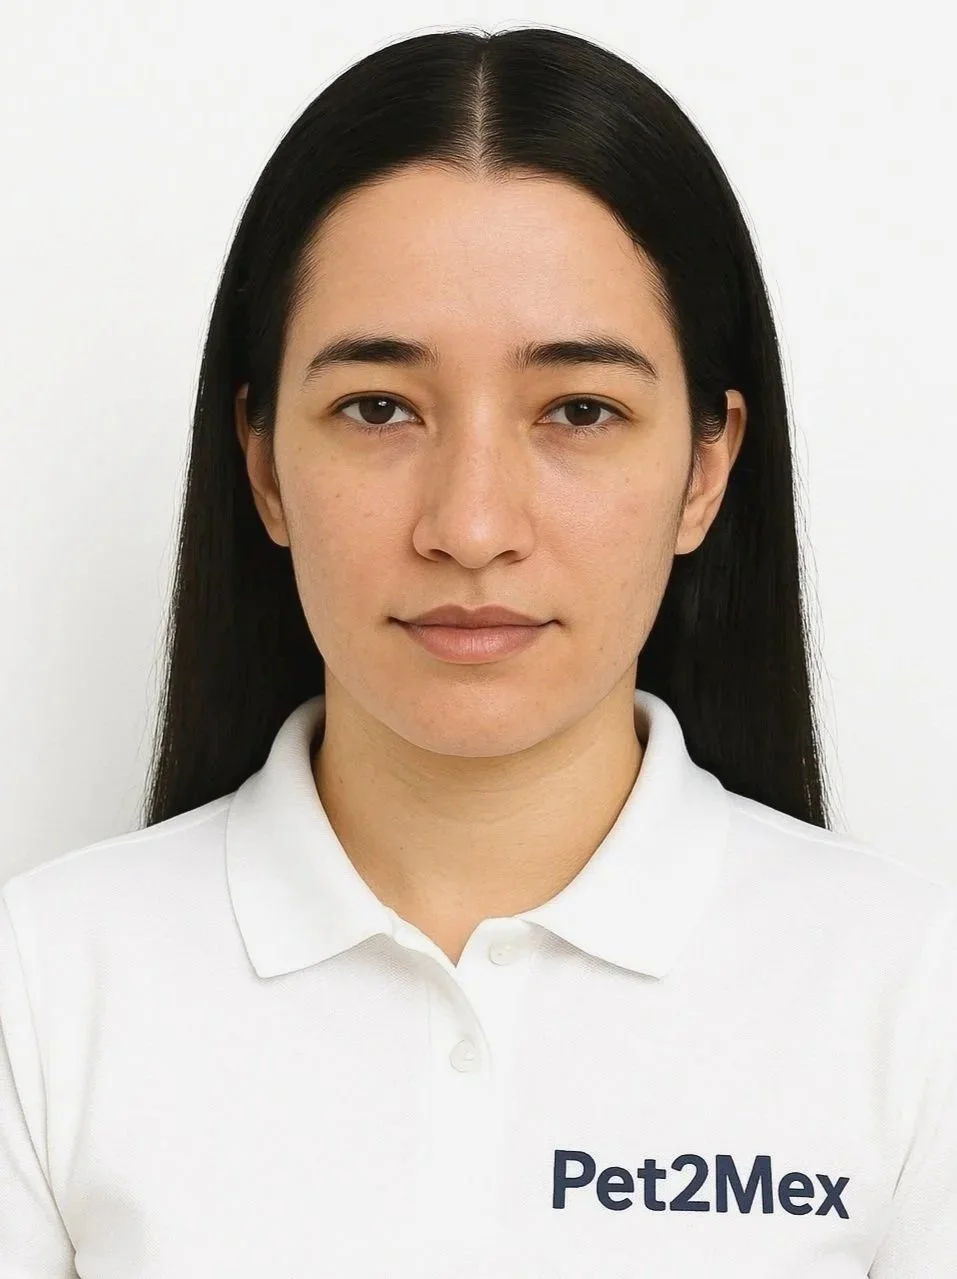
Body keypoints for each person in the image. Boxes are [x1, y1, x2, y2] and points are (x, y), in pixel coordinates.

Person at [0, 24, 954, 1279]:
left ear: (706, 470)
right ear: (262, 463)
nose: (471, 526)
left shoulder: (914, 998)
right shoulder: (42, 990)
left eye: (579, 410)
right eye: (378, 407)